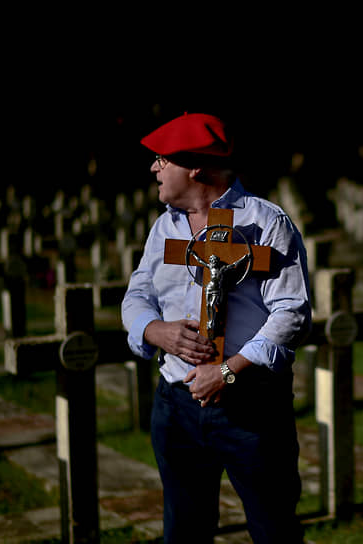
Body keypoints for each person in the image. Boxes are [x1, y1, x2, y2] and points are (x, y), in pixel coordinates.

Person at [121, 112, 311, 543]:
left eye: (161, 159)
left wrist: (226, 371)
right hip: (176, 405)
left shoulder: (266, 223)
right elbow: (136, 297)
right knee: (184, 533)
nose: (154, 168)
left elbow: (292, 314)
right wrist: (156, 331)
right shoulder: (163, 227)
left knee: (273, 530)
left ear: (195, 166)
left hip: (252, 407)